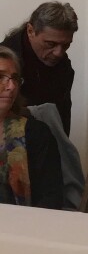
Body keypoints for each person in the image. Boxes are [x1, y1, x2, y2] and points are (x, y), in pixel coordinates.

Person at [0, 45, 64, 209]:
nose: (11, 86)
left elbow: (51, 199)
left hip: (22, 228)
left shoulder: (36, 134)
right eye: (1, 77)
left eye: (15, 78)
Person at [1, 1, 78, 135]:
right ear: (30, 31)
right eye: (50, 44)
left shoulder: (64, 67)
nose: (58, 53)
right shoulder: (4, 60)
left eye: (66, 45)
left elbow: (62, 120)